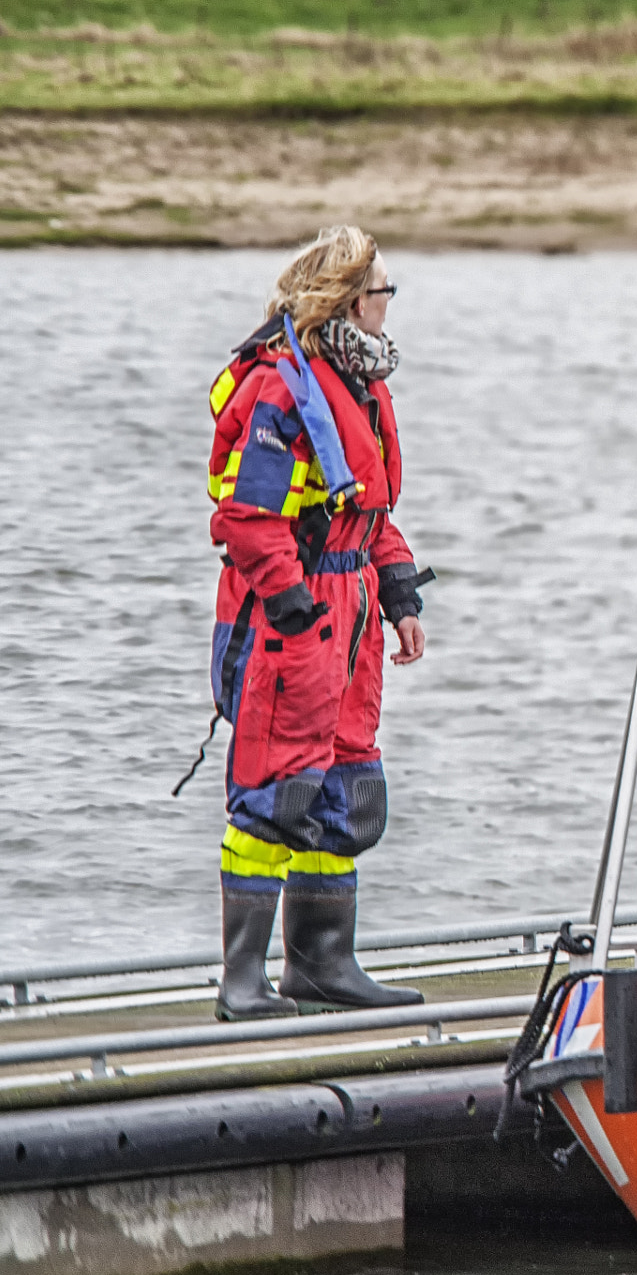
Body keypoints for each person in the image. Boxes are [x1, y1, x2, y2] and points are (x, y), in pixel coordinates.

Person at [203, 226, 431, 1019]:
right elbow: (247, 517)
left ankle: (323, 965)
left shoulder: (361, 383)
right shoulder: (282, 390)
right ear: (345, 299)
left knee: (347, 787)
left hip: (355, 612)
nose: (389, 305)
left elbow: (371, 512)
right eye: (382, 291)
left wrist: (399, 593)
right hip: (295, 622)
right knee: (276, 788)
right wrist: (293, 605)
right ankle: (242, 982)